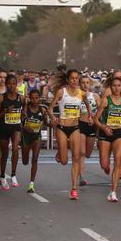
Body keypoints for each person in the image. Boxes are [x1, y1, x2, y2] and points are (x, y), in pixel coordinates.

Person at [48, 69, 93, 200]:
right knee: (64, 161)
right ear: (68, 79)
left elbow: (88, 106)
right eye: (72, 78)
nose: (74, 80)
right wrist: (52, 118)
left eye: (76, 78)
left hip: (75, 128)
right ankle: (60, 154)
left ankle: (74, 189)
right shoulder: (61, 92)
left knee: (76, 157)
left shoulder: (82, 93)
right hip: (62, 127)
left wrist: (90, 116)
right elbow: (50, 108)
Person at [94, 75, 121, 202]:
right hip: (105, 135)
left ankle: (113, 192)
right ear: (111, 87)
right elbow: (96, 119)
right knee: (105, 164)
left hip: (119, 134)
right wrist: (104, 127)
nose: (116, 88)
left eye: (119, 86)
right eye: (114, 85)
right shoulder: (106, 100)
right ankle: (106, 167)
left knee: (118, 163)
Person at [0, 74, 24, 190]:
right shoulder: (2, 98)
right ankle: (2, 176)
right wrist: (6, 111)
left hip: (16, 127)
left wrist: (23, 115)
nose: (11, 86)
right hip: (4, 127)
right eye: (9, 84)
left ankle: (13, 174)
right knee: (5, 153)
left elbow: (24, 111)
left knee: (16, 148)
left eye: (13, 84)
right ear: (6, 85)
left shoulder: (21, 98)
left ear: (16, 85)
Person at [20, 89, 48, 193]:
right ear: (29, 98)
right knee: (25, 161)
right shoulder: (25, 109)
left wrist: (52, 124)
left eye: (37, 98)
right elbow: (19, 123)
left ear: (39, 98)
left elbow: (45, 123)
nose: (35, 100)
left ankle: (31, 184)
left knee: (35, 159)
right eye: (32, 98)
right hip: (26, 137)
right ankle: (24, 155)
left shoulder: (42, 110)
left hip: (37, 136)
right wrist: (25, 128)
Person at [78, 74, 100, 187]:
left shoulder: (95, 96)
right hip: (80, 124)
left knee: (87, 154)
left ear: (90, 84)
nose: (85, 85)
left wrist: (95, 120)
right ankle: (81, 177)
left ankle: (81, 172)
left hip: (92, 125)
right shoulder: (76, 95)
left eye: (87, 82)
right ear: (79, 84)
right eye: (83, 82)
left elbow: (101, 111)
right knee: (81, 153)